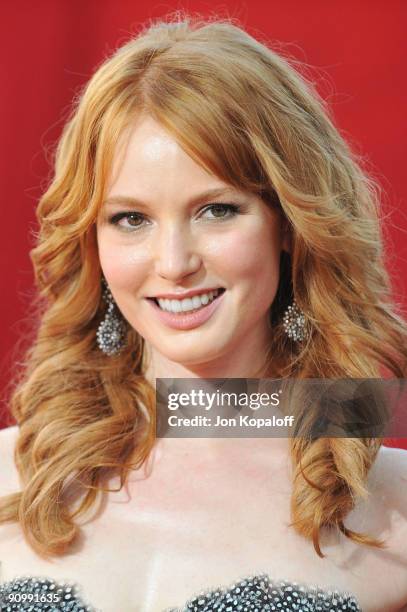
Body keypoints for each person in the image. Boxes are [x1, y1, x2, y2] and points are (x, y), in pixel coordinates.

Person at [1, 13, 407, 612]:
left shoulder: (389, 507)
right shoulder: (10, 479)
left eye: (216, 210)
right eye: (130, 219)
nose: (173, 263)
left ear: (291, 224)